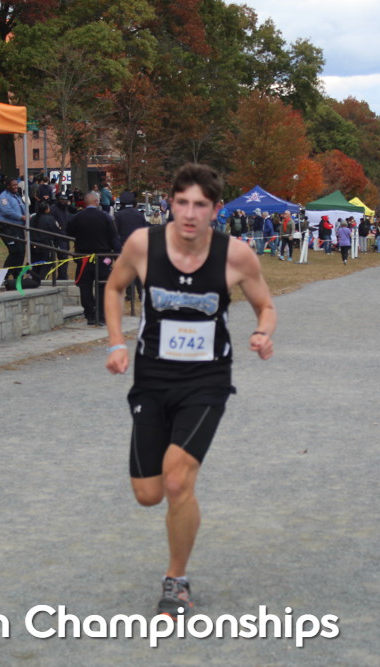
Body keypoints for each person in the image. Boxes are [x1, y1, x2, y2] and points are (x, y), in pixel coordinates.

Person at [103, 162, 276, 616]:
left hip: (206, 380)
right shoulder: (143, 245)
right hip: (152, 379)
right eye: (182, 202)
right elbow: (114, 288)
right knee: (148, 493)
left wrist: (263, 332)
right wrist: (117, 342)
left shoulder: (236, 255)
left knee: (178, 480)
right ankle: (174, 539)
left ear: (216, 210)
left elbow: (266, 305)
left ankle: (175, 580)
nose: (190, 213)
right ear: (170, 204)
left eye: (201, 205)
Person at [67, 190, 120, 325]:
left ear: (85, 203)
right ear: (96, 201)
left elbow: (69, 231)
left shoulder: (77, 217)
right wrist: (117, 255)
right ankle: (101, 316)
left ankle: (90, 314)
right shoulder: (105, 217)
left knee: (85, 287)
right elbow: (114, 238)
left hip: (83, 257)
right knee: (103, 286)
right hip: (103, 257)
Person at [0, 177, 28, 281]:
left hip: (18, 227)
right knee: (15, 251)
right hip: (7, 228)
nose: (16, 187)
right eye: (13, 185)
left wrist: (27, 217)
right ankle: (3, 276)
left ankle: (18, 276)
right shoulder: (3, 197)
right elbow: (7, 211)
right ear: (8, 186)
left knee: (21, 252)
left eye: (16, 185)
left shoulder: (17, 196)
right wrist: (21, 217)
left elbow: (23, 208)